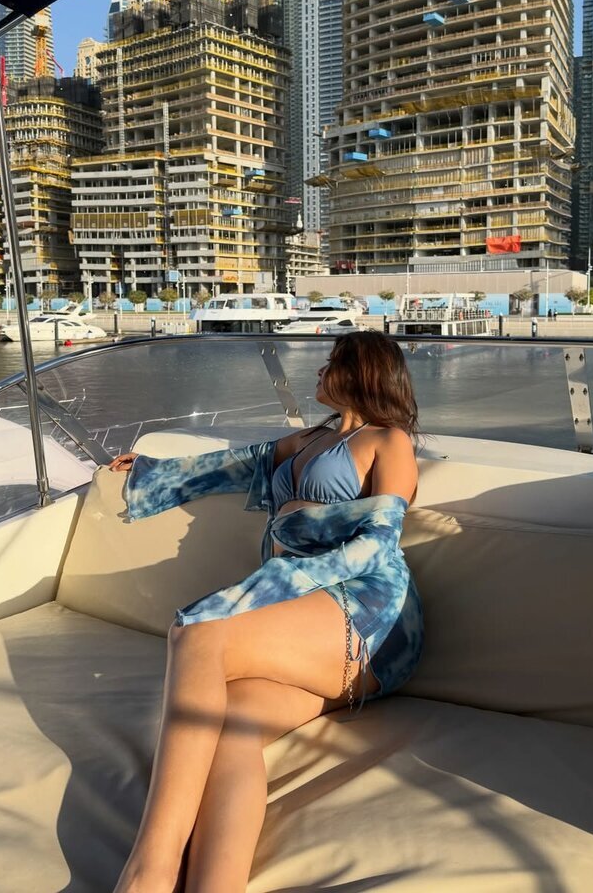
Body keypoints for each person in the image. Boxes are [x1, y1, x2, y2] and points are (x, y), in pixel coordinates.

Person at [108, 331, 422, 893]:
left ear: (363, 372)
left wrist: (294, 530)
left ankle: (149, 870)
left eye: (332, 361)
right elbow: (236, 463)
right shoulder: (311, 438)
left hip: (370, 611)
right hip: (303, 615)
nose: (320, 371)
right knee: (231, 727)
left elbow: (380, 540)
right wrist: (153, 470)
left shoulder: (388, 439)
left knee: (198, 632)